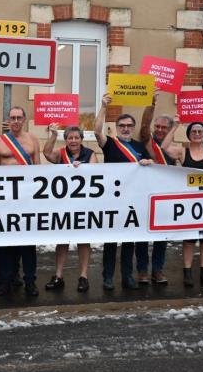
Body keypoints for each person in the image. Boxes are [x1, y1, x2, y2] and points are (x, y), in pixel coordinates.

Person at [94, 94, 153, 290]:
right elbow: (96, 131)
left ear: (133, 127)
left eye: (129, 125)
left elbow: (151, 168)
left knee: (129, 242)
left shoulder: (139, 147)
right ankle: (107, 277)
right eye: (122, 126)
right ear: (117, 128)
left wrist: (149, 162)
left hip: (132, 201)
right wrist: (104, 107)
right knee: (111, 242)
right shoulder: (110, 144)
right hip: (112, 199)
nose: (126, 128)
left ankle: (128, 276)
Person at [161, 117, 203, 287]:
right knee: (189, 238)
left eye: (200, 131)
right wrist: (175, 125)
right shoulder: (183, 151)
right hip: (190, 201)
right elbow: (164, 147)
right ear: (189, 135)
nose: (197, 134)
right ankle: (187, 273)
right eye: (194, 132)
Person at [0, 106, 42, 297]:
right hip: (5, 199)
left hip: (27, 198)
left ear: (25, 119)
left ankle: (30, 281)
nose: (16, 121)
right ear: (8, 120)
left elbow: (38, 169)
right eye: (12, 117)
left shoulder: (33, 140)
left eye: (19, 117)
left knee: (28, 243)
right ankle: (5, 280)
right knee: (5, 243)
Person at [42, 123, 97, 293]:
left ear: (81, 139)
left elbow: (96, 174)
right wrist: (53, 135)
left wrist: (84, 169)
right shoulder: (61, 152)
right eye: (70, 138)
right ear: (65, 140)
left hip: (84, 204)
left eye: (76, 138)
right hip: (64, 204)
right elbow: (46, 153)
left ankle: (83, 276)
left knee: (83, 240)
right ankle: (58, 276)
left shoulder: (90, 154)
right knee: (63, 240)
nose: (73, 141)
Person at [136, 90, 175, 285]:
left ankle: (158, 270)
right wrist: (151, 104)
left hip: (164, 196)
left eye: (163, 127)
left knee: (162, 235)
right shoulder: (147, 141)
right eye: (157, 126)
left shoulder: (174, 148)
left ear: (170, 130)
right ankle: (142, 271)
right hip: (144, 194)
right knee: (142, 235)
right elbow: (144, 125)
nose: (159, 129)